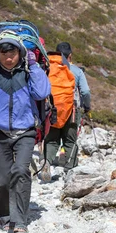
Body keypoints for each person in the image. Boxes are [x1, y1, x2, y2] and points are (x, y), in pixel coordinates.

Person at [0, 31, 51, 233]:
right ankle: (5, 214)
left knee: (20, 171)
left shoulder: (27, 72)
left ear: (20, 53)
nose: (8, 57)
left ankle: (19, 222)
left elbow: (42, 93)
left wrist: (34, 66)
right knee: (1, 179)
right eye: (4, 53)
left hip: (25, 132)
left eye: (13, 52)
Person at [44, 41, 91, 171]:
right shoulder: (76, 71)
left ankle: (46, 162)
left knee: (52, 139)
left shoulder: (48, 68)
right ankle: (70, 168)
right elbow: (85, 92)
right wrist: (87, 107)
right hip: (71, 110)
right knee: (70, 140)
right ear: (70, 56)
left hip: (51, 109)